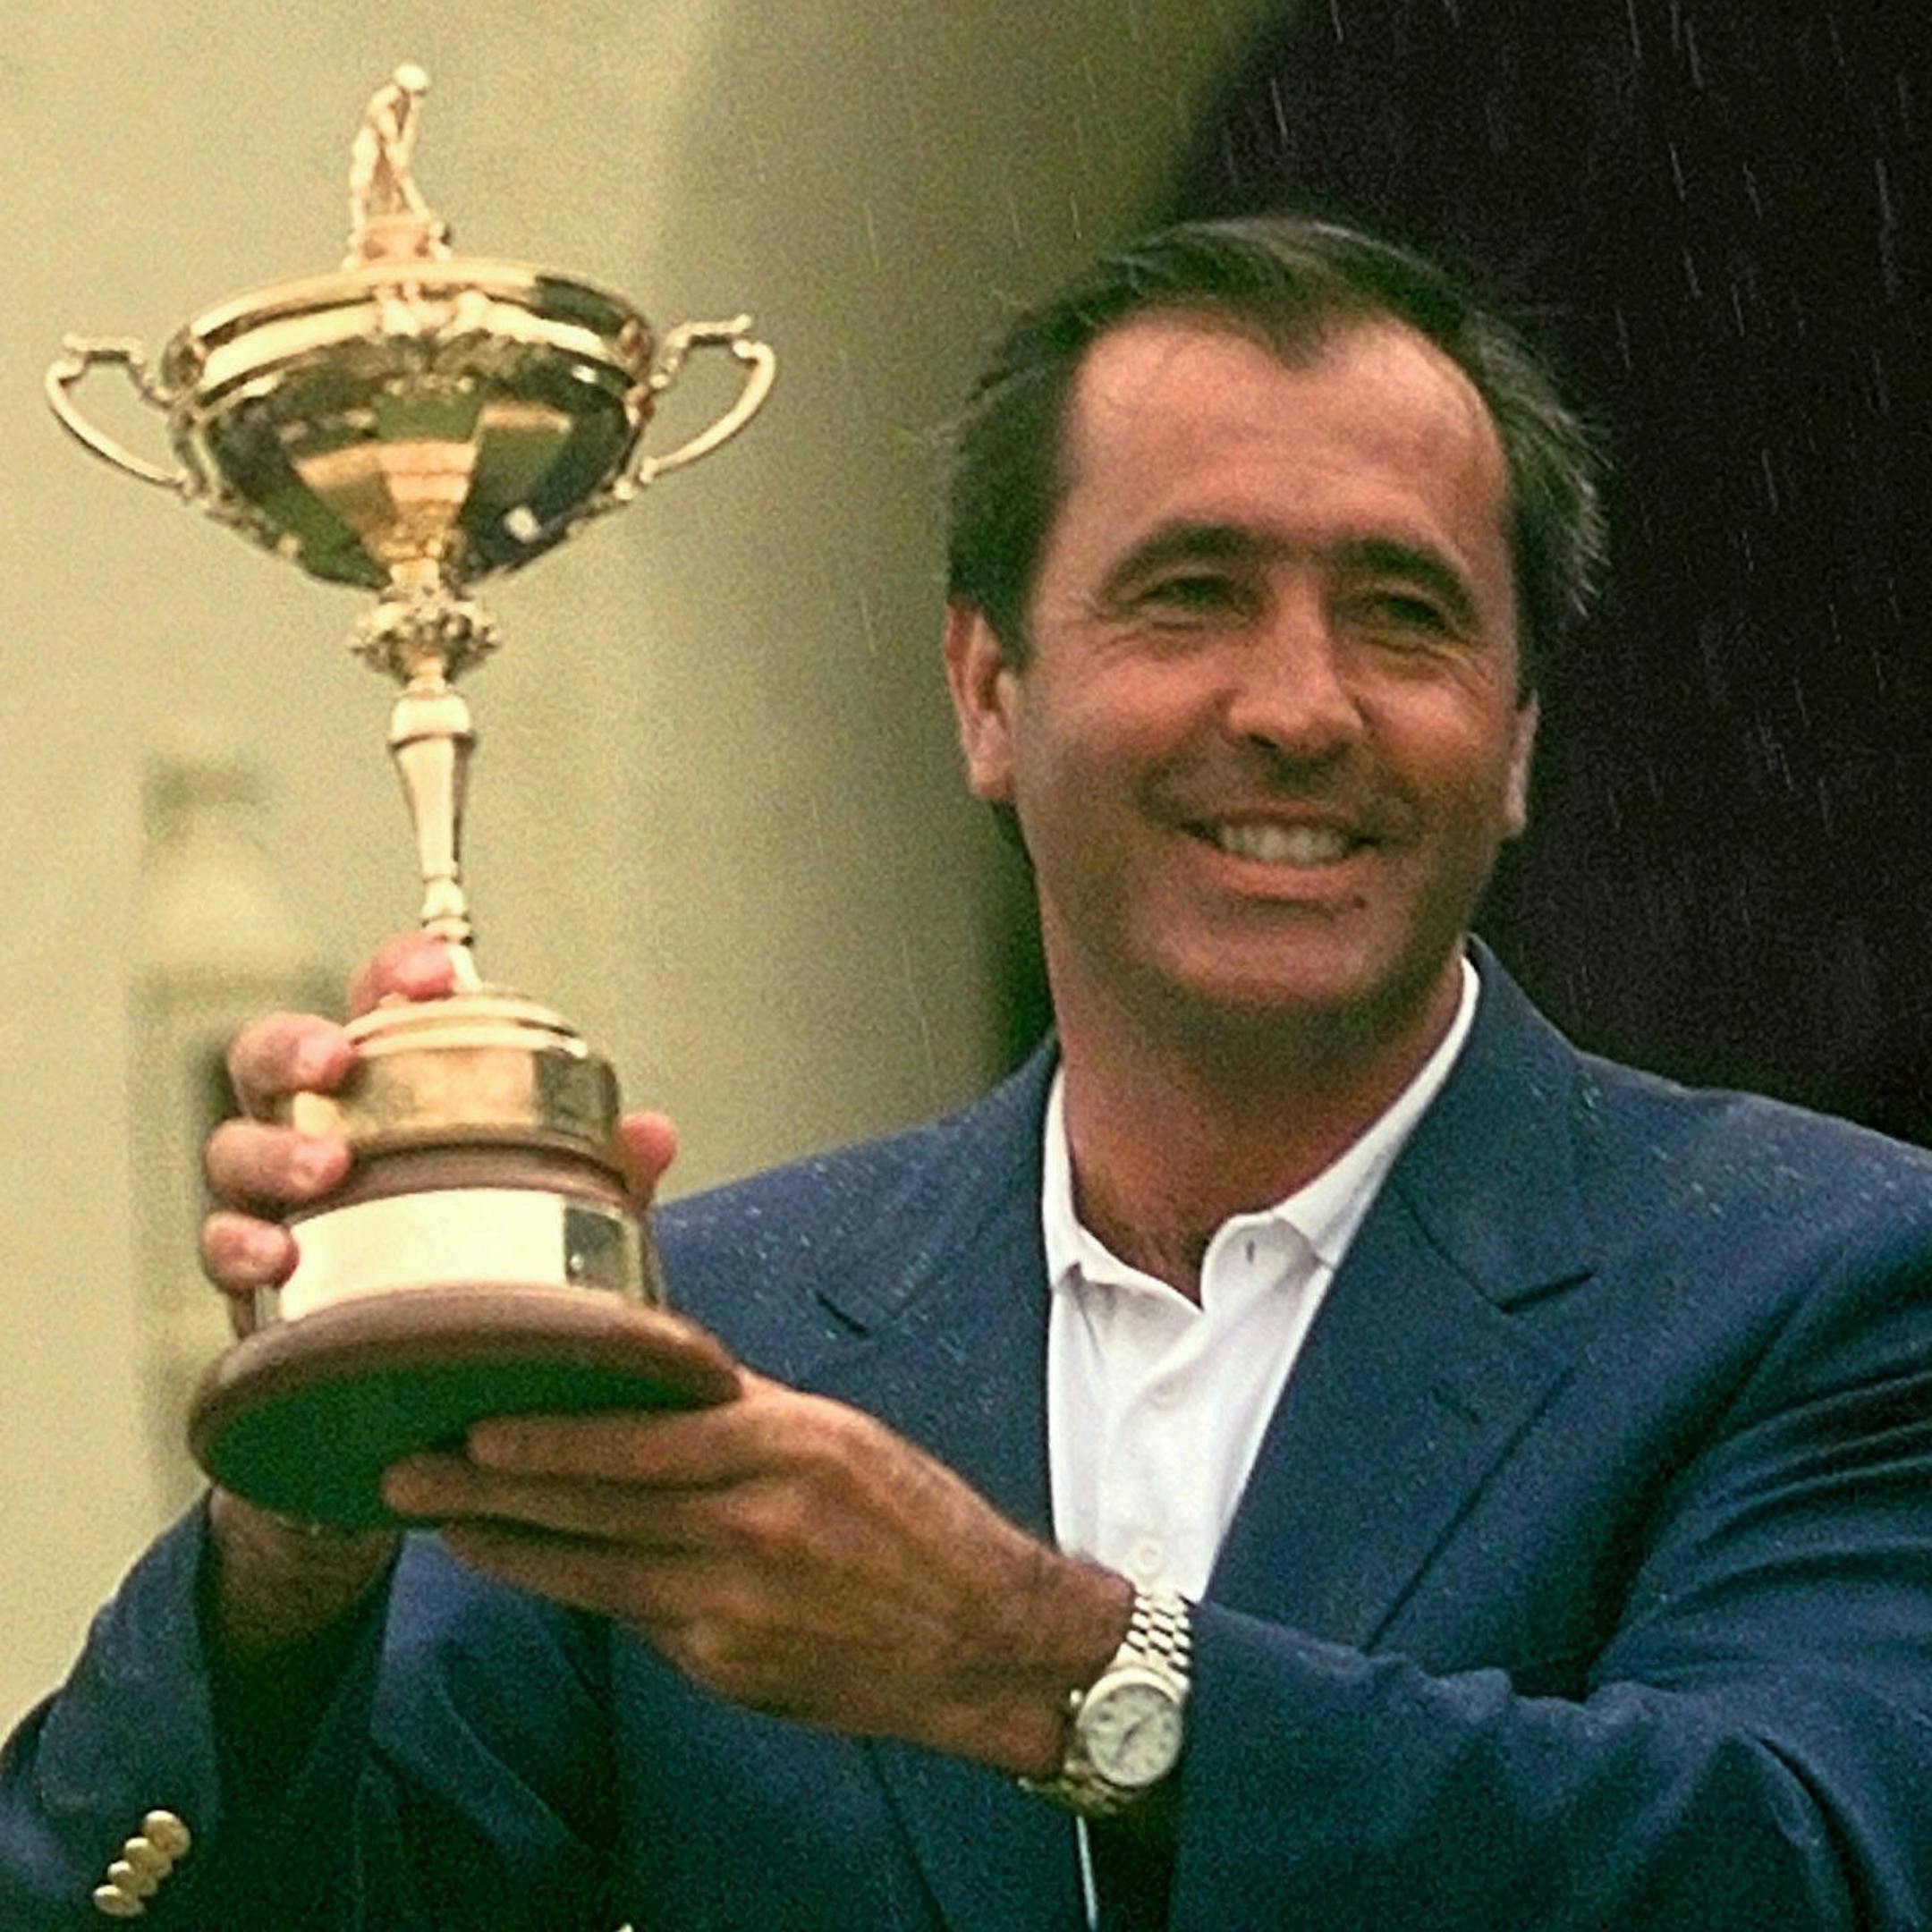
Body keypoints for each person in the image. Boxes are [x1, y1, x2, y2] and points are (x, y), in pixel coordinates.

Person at [6, 214, 1932, 1929]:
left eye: (1404, 615)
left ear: (1515, 743)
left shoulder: (1818, 1277)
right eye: (1189, 595)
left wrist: (1045, 1668)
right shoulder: (712, 1343)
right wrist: (309, 1521)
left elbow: (1804, 1866)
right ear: (987, 695)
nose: (1297, 705)